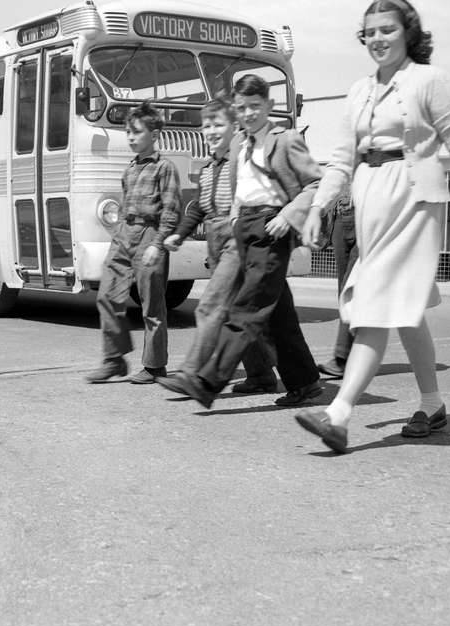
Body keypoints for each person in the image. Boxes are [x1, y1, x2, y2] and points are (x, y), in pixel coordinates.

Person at [297, 0, 450, 453]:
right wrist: (317, 207)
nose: (377, 38)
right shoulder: (358, 90)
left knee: (376, 307)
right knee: (405, 312)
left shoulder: (431, 81)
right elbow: (342, 160)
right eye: (369, 32)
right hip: (372, 204)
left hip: (414, 201)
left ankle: (339, 414)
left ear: (408, 31)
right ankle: (432, 402)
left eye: (387, 29)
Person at [158, 74, 323, 408]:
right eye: (242, 107)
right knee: (278, 314)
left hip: (271, 227)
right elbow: (239, 187)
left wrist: (287, 217)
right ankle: (305, 382)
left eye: (255, 106)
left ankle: (206, 382)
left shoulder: (286, 139)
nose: (248, 113)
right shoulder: (238, 144)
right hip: (244, 227)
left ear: (269, 106)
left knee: (245, 309)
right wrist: (235, 215)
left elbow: (315, 184)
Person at [163, 96, 278, 394]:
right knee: (234, 312)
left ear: (235, 127)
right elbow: (200, 208)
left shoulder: (240, 162)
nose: (211, 131)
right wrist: (180, 233)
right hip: (215, 241)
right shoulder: (207, 168)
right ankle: (261, 374)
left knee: (210, 306)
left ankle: (191, 374)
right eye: (206, 125)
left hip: (237, 240)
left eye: (218, 124)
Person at [86, 101, 181, 385]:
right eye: (128, 131)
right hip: (124, 234)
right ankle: (114, 360)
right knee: (107, 294)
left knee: (152, 304)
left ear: (154, 134)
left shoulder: (165, 168)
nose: (130, 137)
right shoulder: (129, 169)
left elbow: (171, 209)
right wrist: (118, 237)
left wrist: (158, 243)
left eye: (136, 132)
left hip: (150, 236)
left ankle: (154, 366)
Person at [316, 188, 358, 378]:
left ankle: (342, 357)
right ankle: (348, 356)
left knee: (353, 289)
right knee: (344, 291)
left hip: (367, 217)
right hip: (341, 216)